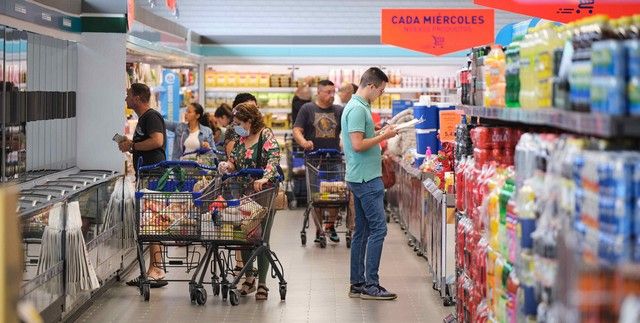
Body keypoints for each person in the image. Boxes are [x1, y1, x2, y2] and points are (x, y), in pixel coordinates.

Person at [341, 67, 398, 300]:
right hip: (366, 179)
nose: (381, 95)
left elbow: (361, 136)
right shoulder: (356, 109)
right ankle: (371, 285)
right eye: (381, 91)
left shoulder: (360, 106)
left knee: (362, 232)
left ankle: (357, 283)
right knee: (379, 229)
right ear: (371, 86)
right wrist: (384, 137)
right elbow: (357, 145)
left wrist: (378, 131)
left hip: (361, 176)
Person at [217, 102, 281, 301]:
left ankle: (262, 283)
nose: (235, 126)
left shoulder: (265, 135)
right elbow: (234, 160)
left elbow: (273, 159)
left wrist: (264, 177)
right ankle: (249, 277)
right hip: (243, 192)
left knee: (261, 238)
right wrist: (227, 166)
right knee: (243, 235)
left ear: (250, 121)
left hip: (264, 191)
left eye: (238, 123)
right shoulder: (240, 137)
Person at [118, 83, 168, 288]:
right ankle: (154, 268)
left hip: (154, 176)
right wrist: (131, 146)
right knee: (150, 222)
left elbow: (157, 141)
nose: (126, 98)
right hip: (146, 174)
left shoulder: (151, 117)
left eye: (128, 94)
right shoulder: (143, 120)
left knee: (152, 221)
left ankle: (156, 269)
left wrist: (133, 145)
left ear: (138, 97)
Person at [293, 79, 343, 244]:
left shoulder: (339, 110)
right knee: (317, 197)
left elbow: (350, 129)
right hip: (314, 160)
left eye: (333, 92)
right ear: (319, 92)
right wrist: (303, 142)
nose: (332, 95)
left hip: (334, 158)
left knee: (336, 195)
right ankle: (319, 229)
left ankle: (329, 226)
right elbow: (297, 130)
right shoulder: (307, 109)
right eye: (328, 92)